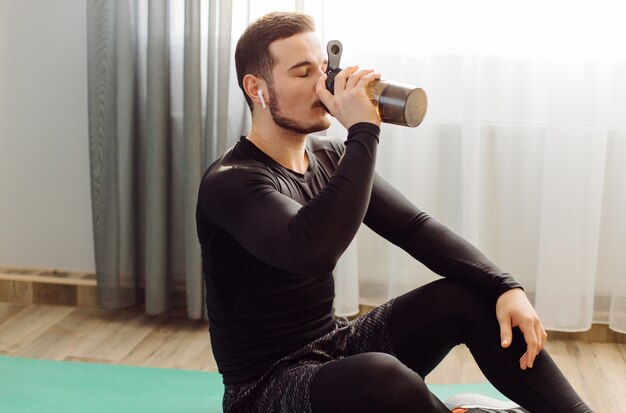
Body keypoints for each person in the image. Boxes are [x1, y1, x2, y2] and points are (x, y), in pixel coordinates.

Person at [195, 11, 593, 413]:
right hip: (265, 390)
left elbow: (414, 228)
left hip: (334, 348)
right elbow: (311, 248)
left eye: (323, 69)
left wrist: (507, 287)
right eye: (302, 74)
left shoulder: (329, 156)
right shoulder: (230, 182)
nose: (322, 85)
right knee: (382, 377)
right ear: (256, 88)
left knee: (466, 294)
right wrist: (364, 132)